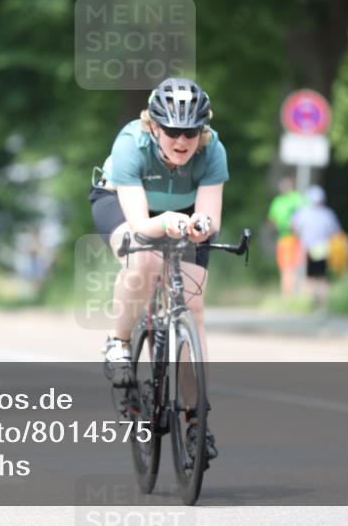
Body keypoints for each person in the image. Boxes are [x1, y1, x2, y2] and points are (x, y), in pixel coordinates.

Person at [89, 78, 227, 462]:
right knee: (145, 260)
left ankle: (196, 417)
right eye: (172, 131)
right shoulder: (131, 144)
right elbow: (138, 225)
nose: (182, 141)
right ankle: (118, 341)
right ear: (154, 126)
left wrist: (201, 225)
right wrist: (165, 222)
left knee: (194, 307)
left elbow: (210, 215)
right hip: (122, 204)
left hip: (179, 213)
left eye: (191, 132)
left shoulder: (212, 150)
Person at [290, 185, 342, 315]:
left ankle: (314, 302)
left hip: (309, 247)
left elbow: (294, 229)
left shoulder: (303, 213)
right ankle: (321, 305)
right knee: (322, 278)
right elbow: (336, 233)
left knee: (311, 278)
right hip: (324, 248)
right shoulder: (328, 214)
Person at [267, 177, 305, 296]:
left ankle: (295, 295)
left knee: (297, 267)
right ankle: (287, 295)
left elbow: (305, 216)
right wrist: (279, 225)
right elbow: (272, 220)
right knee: (286, 268)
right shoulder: (277, 201)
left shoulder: (297, 198)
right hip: (284, 238)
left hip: (299, 238)